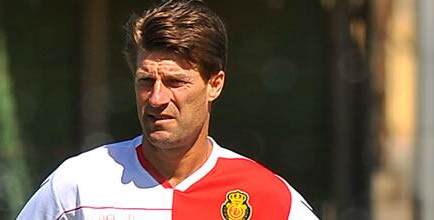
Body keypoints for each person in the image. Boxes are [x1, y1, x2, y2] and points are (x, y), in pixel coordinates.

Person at [17, 0, 319, 219]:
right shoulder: (77, 187)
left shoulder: (269, 198)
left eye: (175, 81)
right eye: (146, 81)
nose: (157, 97)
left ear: (215, 84)